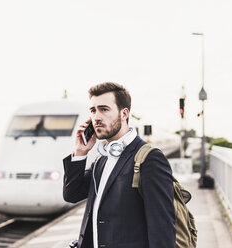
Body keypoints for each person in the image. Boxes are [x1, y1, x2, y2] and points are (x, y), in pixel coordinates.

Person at [63, 82, 175, 248]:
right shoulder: (102, 160)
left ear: (124, 114)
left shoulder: (150, 158)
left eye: (104, 109)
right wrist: (80, 153)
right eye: (93, 111)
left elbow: (162, 229)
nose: (96, 117)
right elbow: (71, 195)